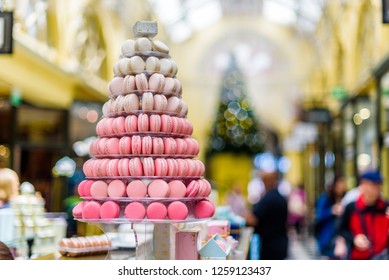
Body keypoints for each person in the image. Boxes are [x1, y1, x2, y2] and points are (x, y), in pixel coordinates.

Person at [334, 170, 389, 260]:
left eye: (379, 185)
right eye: (373, 185)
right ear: (363, 185)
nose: (377, 189)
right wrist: (354, 239)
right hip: (358, 257)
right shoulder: (351, 207)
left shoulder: (385, 207)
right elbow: (341, 229)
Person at [246, 170, 288, 260]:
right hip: (280, 243)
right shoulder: (279, 197)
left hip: (271, 246)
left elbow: (252, 220)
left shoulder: (269, 198)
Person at [314, 176, 347, 259]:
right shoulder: (325, 198)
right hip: (327, 235)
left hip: (340, 236)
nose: (342, 187)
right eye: (339, 185)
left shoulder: (346, 198)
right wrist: (331, 211)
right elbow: (318, 216)